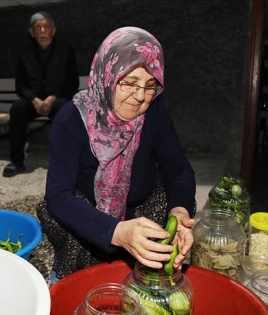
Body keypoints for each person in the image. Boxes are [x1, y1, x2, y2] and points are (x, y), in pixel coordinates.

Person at [36, 27, 197, 283]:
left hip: (141, 207)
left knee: (172, 201)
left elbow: (177, 168)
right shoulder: (71, 119)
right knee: (76, 269)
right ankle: (71, 272)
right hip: (88, 212)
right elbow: (58, 195)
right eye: (130, 83)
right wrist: (117, 231)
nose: (141, 96)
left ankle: (140, 262)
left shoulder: (156, 113)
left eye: (150, 85)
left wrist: (179, 212)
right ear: (106, 76)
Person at [3, 11, 79, 177]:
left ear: (53, 30)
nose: (42, 30)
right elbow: (20, 84)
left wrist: (52, 98)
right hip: (33, 101)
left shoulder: (66, 50)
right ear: (32, 32)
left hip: (56, 99)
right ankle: (17, 161)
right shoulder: (24, 52)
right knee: (17, 109)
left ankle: (66, 162)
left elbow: (72, 83)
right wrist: (34, 99)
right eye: (38, 27)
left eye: (46, 26)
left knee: (65, 108)